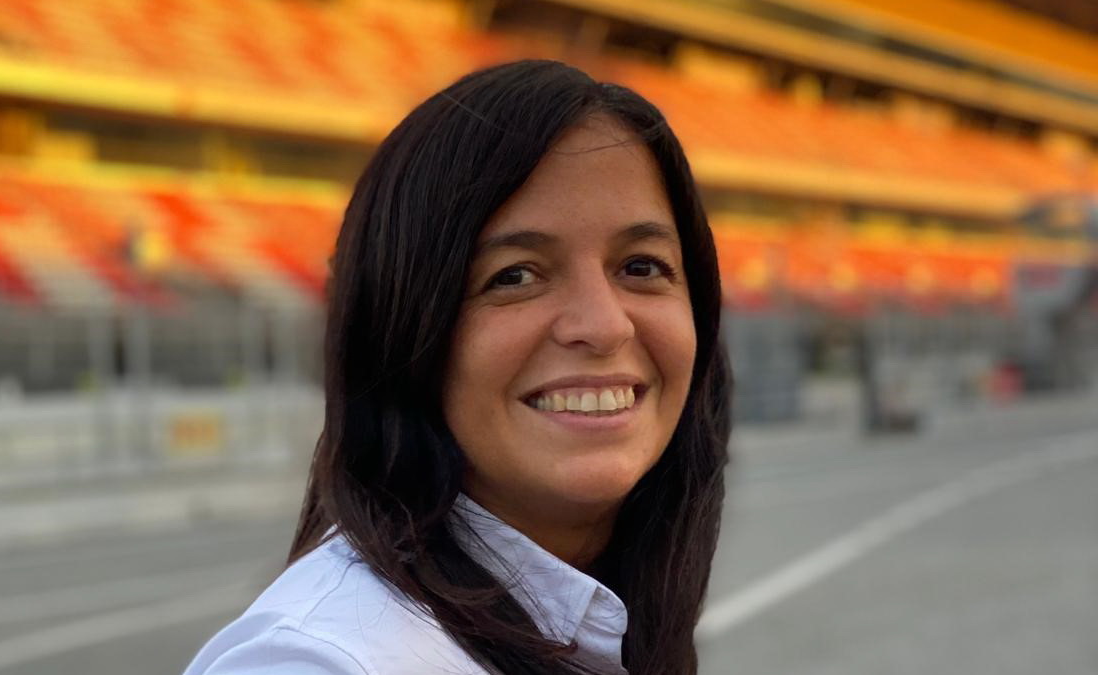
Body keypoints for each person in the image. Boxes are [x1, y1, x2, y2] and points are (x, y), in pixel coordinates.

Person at [182, 59, 731, 675]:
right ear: (400, 330)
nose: (605, 326)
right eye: (514, 276)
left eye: (641, 266)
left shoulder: (612, 616)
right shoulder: (321, 662)